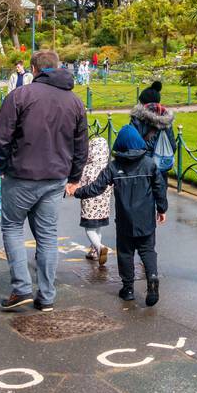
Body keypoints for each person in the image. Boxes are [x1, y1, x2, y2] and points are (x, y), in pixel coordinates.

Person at [0, 49, 88, 312]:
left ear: (34, 69)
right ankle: (46, 295)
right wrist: (74, 177)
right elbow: (81, 145)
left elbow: (0, 138)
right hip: (55, 177)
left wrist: (2, 166)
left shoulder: (21, 96)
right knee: (47, 236)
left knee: (11, 227)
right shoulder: (75, 102)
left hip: (21, 174)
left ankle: (21, 288)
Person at [74, 124, 167, 306]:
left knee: (125, 253)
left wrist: (77, 192)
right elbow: (160, 188)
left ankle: (128, 288)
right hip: (146, 218)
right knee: (148, 250)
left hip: (125, 219)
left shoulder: (114, 167)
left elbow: (96, 188)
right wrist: (162, 209)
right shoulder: (149, 164)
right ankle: (153, 277)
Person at [77, 136, 112, 266]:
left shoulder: (87, 168)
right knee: (97, 229)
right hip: (103, 205)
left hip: (89, 205)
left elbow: (80, 184)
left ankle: (99, 247)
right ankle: (94, 251)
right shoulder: (108, 168)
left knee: (89, 229)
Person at [129, 101, 176, 174]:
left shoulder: (137, 118)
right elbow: (172, 146)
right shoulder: (166, 119)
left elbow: (131, 144)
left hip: (141, 165)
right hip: (160, 165)